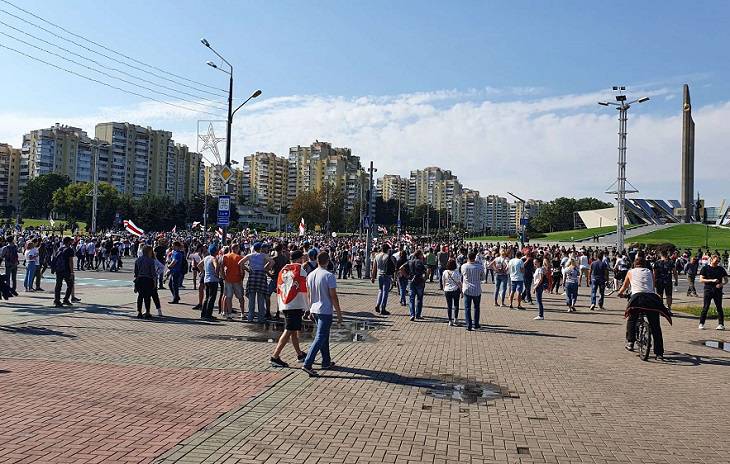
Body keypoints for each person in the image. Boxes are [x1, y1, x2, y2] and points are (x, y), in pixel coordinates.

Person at [618, 255, 672, 359]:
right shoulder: (649, 272)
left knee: (632, 319)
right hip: (651, 298)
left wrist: (620, 293)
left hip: (637, 298)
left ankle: (630, 342)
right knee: (655, 326)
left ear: (634, 264)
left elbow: (625, 286)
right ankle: (659, 352)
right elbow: (652, 286)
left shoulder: (631, 272)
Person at [302, 252, 343, 377]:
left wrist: (309, 309)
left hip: (314, 309)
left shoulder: (310, 275)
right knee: (320, 337)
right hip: (325, 310)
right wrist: (339, 313)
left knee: (323, 336)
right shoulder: (329, 276)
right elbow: (333, 296)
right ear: (328, 261)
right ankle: (307, 363)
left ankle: (326, 361)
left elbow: (308, 294)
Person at [270, 250, 308, 367]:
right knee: (289, 330)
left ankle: (299, 354)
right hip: (295, 303)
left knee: (293, 329)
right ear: (299, 259)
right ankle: (275, 356)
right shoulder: (300, 270)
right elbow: (306, 285)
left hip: (285, 302)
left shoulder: (283, 269)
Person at [241, 242, 272, 323]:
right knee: (261, 299)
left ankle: (250, 317)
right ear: (260, 248)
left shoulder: (250, 255)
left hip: (252, 276)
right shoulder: (263, 255)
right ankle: (261, 318)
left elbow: (240, 263)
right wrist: (266, 269)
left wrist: (247, 269)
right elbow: (272, 262)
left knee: (251, 299)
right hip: (261, 276)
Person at [698, 254, 728, 330]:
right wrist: (712, 280)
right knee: (706, 307)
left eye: (718, 261)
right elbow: (701, 280)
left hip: (718, 290)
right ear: (711, 260)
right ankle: (701, 323)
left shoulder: (721, 269)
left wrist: (722, 284)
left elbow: (726, 280)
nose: (717, 262)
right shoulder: (705, 268)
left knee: (719, 307)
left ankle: (721, 324)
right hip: (708, 289)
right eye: (716, 260)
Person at [461, 251, 485, 331]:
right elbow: (483, 278)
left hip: (467, 289)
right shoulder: (480, 267)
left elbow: (462, 275)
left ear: (468, 257)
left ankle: (469, 325)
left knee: (467, 308)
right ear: (475, 257)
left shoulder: (464, 266)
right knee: (476, 307)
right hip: (477, 289)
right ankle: (476, 324)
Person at [134, 245, 159, 319]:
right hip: (148, 279)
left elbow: (136, 272)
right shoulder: (150, 260)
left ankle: (139, 312)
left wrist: (136, 283)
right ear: (149, 252)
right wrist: (154, 282)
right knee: (147, 297)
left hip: (139, 279)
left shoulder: (138, 260)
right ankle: (147, 312)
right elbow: (153, 273)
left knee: (140, 296)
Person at [222, 243, 245, 320]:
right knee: (241, 297)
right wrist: (242, 277)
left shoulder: (225, 256)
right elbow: (241, 270)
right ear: (236, 249)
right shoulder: (239, 257)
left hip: (228, 279)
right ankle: (242, 313)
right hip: (237, 279)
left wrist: (223, 276)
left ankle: (229, 314)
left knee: (228, 297)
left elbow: (222, 267)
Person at [52, 236, 75, 307]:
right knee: (70, 284)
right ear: (69, 242)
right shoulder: (70, 249)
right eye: (71, 241)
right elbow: (70, 261)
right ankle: (65, 299)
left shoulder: (60, 249)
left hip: (58, 269)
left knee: (58, 285)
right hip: (66, 269)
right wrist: (72, 272)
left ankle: (57, 300)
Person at [371, 244, 393, 316]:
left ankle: (377, 305)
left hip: (379, 275)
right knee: (385, 292)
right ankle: (383, 308)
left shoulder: (377, 256)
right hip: (386, 275)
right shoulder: (388, 256)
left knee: (380, 290)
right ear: (387, 249)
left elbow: (374, 267)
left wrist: (373, 277)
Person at [200, 244, 220, 320]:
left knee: (207, 297)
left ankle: (203, 314)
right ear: (216, 251)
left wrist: (203, 272)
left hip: (206, 279)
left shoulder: (206, 258)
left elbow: (199, 265)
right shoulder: (214, 258)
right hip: (213, 280)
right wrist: (216, 274)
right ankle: (208, 315)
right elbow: (217, 266)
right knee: (212, 298)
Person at [406, 249, 427, 321]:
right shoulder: (420, 262)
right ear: (419, 255)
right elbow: (425, 271)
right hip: (419, 281)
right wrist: (425, 279)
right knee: (419, 299)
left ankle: (412, 314)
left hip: (411, 281)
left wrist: (407, 276)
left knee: (411, 299)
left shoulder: (410, 262)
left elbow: (401, 268)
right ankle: (418, 315)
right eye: (421, 255)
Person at [441, 258, 462, 326]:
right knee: (456, 305)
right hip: (455, 290)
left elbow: (443, 281)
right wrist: (461, 291)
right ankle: (455, 319)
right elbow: (459, 282)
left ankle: (450, 320)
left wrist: (444, 288)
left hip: (447, 290)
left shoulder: (445, 272)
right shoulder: (456, 272)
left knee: (449, 306)